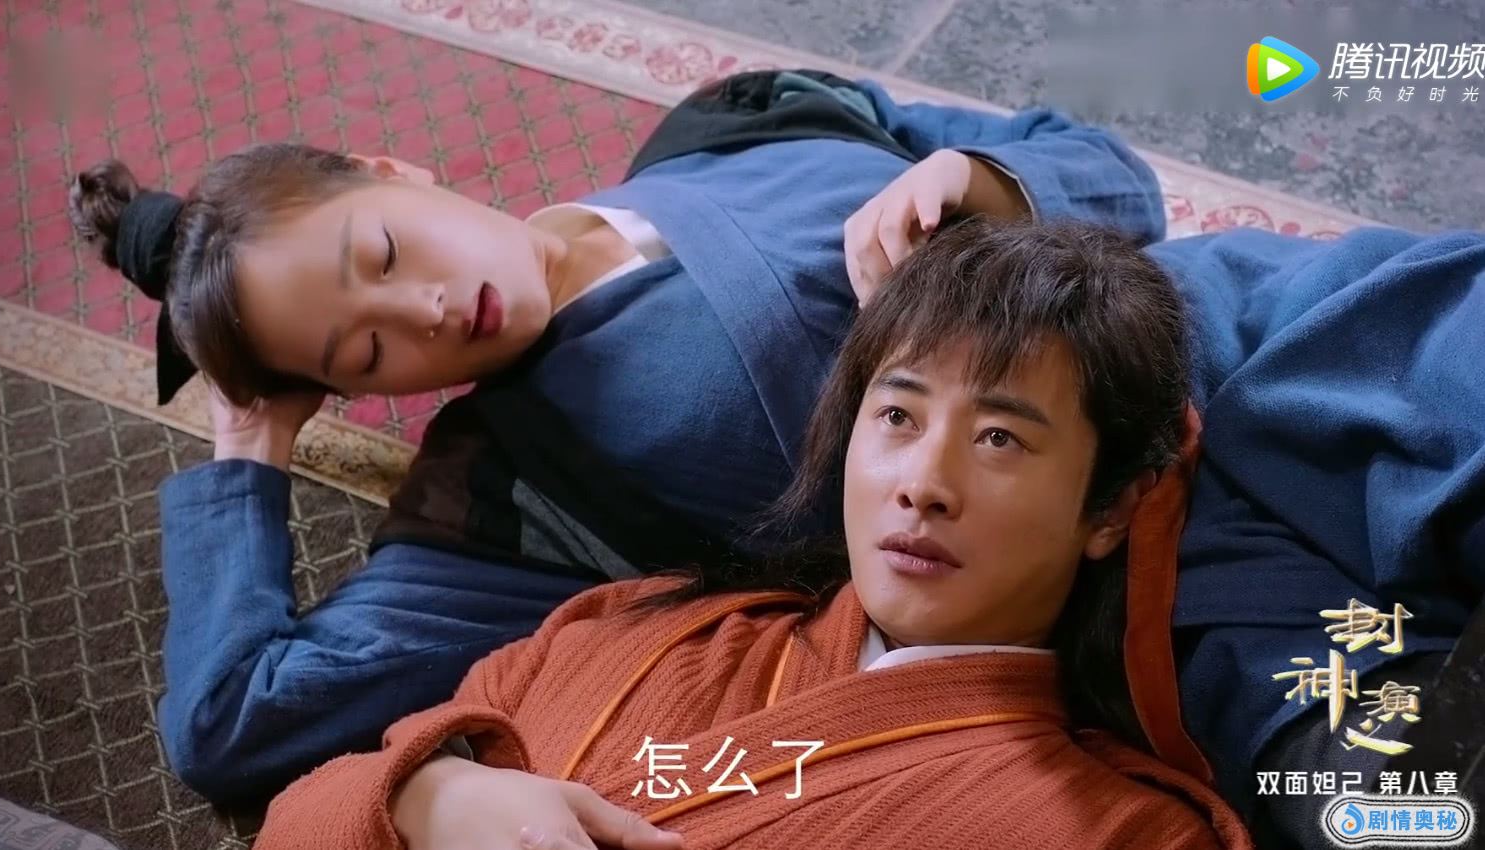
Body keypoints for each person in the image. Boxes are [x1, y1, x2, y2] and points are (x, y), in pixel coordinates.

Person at [67, 71, 1166, 802]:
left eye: (384, 254)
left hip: (1209, 329)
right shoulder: (501, 495)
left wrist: (978, 183)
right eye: (363, 353)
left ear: (394, 171)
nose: (424, 312)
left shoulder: (734, 122)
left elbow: (1117, 181)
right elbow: (232, 724)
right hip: (1149, 566)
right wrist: (248, 452)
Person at [248, 217, 1253, 850]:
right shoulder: (630, 627)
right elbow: (297, 821)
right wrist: (429, 798)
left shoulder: (1124, 830)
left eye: (1000, 438)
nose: (922, 485)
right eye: (897, 416)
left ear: (1111, 508)